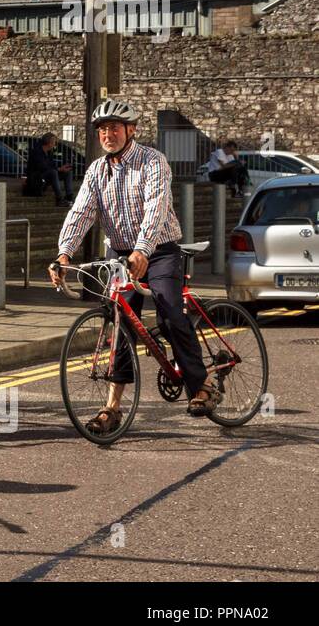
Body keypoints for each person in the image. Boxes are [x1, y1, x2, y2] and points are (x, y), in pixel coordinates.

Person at [50, 98, 220, 431]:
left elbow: (156, 208)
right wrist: (64, 253)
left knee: (171, 311)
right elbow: (81, 212)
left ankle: (201, 385)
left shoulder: (153, 161)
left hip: (159, 250)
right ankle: (112, 408)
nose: (107, 134)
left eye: (114, 127)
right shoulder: (97, 171)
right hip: (119, 252)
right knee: (119, 322)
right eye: (102, 129)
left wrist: (143, 250)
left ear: (131, 130)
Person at [25, 132, 75, 205]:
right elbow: (42, 167)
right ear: (49, 143)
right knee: (53, 173)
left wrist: (61, 168)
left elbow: (52, 165)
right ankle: (59, 199)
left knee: (67, 173)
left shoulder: (49, 153)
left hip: (47, 175)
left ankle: (69, 196)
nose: (55, 144)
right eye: (54, 142)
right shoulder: (36, 152)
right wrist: (58, 169)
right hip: (37, 178)